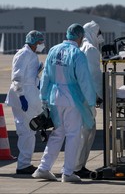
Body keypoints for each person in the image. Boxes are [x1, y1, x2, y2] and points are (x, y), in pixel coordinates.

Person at [32, 23, 96, 182]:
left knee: (57, 133)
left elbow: (46, 76)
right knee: (73, 134)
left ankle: (43, 167)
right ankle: (68, 172)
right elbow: (84, 81)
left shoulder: (54, 50)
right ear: (80, 37)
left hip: (54, 97)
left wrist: (44, 97)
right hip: (72, 100)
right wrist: (91, 101)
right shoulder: (77, 54)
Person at [5, 30, 45, 174]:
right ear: (34, 42)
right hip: (22, 96)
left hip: (28, 95)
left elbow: (28, 76)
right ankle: (23, 165)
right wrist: (21, 95)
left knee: (28, 131)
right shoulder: (23, 54)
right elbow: (17, 77)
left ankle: (25, 163)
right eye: (40, 42)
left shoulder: (31, 54)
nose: (42, 44)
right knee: (26, 130)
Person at [74, 20, 104, 178]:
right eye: (99, 33)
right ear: (92, 33)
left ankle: (78, 165)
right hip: (86, 97)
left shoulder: (80, 47)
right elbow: (95, 77)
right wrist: (103, 96)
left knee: (84, 131)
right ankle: (77, 167)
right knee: (86, 131)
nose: (100, 36)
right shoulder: (91, 50)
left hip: (79, 96)